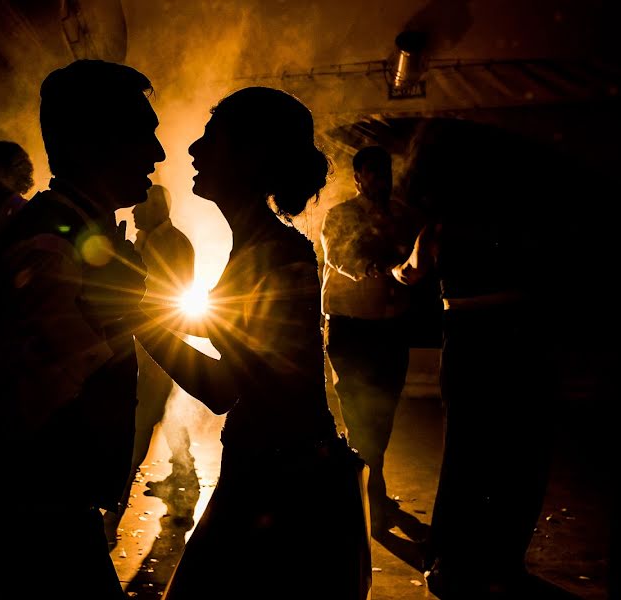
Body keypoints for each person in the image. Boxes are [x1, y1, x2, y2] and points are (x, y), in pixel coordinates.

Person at [133, 87, 371, 600]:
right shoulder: (264, 247)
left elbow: (223, 386)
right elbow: (233, 329)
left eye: (211, 139)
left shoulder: (273, 256)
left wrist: (135, 318)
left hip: (282, 487)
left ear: (251, 155)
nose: (193, 151)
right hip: (276, 470)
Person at [0, 59, 164, 600]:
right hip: (38, 508)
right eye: (143, 136)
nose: (158, 154)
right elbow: (22, 396)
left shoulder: (77, 230)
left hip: (48, 503)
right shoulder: (51, 243)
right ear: (95, 145)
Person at [396, 120, 559, 598]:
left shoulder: (440, 226)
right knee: (520, 450)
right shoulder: (522, 216)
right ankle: (504, 559)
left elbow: (411, 273)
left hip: (471, 340)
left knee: (467, 449)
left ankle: (449, 558)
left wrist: (388, 266)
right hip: (523, 336)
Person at [320, 145, 425, 536]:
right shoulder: (340, 215)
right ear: (358, 178)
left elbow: (417, 259)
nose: (381, 179)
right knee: (359, 409)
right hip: (351, 325)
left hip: (391, 326)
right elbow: (338, 257)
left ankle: (368, 483)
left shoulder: (403, 216)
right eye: (373, 173)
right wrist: (377, 268)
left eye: (385, 171)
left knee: (383, 408)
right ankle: (369, 487)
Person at [103, 183, 197, 547]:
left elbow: (159, 293)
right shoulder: (156, 239)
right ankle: (181, 485)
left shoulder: (169, 242)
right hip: (150, 344)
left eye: (140, 206)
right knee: (164, 415)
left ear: (156, 208)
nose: (134, 212)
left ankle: (114, 514)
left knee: (141, 425)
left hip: (155, 344)